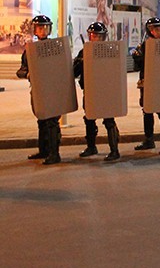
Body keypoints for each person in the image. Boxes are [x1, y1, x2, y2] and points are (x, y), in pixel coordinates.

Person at [16, 15, 62, 165]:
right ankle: (44, 150)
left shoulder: (55, 48)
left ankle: (54, 154)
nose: (43, 30)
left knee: (52, 121)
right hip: (38, 90)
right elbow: (21, 70)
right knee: (41, 120)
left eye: (45, 27)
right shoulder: (30, 50)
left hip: (53, 89)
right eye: (40, 27)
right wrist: (28, 74)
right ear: (35, 30)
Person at [73, 21, 121, 161]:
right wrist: (81, 62)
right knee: (89, 119)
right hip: (89, 90)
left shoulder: (110, 51)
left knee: (109, 120)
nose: (97, 39)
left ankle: (114, 150)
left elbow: (116, 71)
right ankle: (91, 147)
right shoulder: (84, 52)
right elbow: (74, 72)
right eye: (94, 36)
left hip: (105, 90)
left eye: (99, 36)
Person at [132, 17, 160, 155]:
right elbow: (138, 66)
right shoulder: (144, 46)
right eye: (155, 28)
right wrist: (137, 56)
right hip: (146, 81)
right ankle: (149, 140)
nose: (158, 30)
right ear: (149, 30)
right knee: (147, 111)